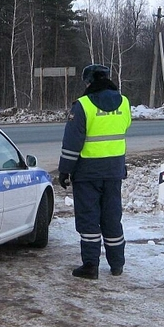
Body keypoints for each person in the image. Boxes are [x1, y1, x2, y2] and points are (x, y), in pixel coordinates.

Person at [58, 64, 131, 280]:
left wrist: (65, 170)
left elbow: (72, 142)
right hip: (114, 171)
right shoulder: (124, 103)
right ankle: (117, 264)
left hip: (88, 173)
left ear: (89, 81)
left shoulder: (83, 105)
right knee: (112, 217)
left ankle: (90, 266)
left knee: (89, 219)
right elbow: (124, 127)